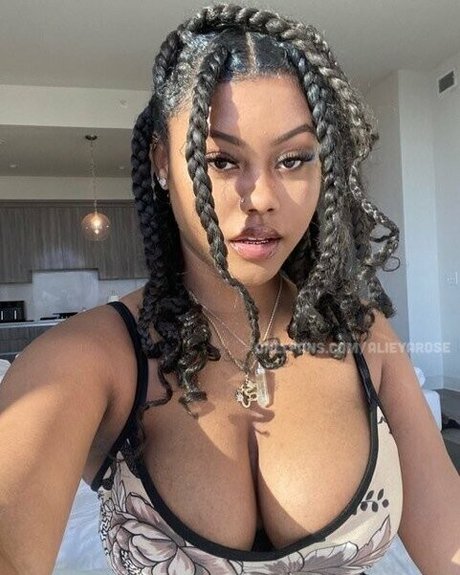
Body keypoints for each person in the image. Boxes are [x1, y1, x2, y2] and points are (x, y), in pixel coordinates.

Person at [0, 4, 459, 574]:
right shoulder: (85, 360)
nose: (261, 196)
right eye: (219, 160)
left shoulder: (362, 336)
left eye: (293, 159)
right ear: (162, 163)